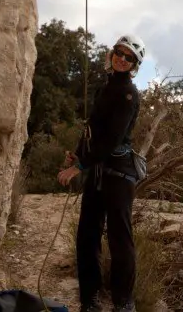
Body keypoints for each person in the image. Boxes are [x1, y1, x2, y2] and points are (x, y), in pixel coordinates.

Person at [58, 34, 146, 312]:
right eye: (119, 52)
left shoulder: (129, 94)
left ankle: (124, 302)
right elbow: (92, 129)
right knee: (87, 234)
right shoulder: (105, 88)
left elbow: (111, 139)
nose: (122, 58)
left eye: (128, 56)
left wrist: (79, 166)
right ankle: (90, 299)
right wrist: (77, 154)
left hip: (119, 173)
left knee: (120, 237)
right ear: (112, 54)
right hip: (98, 171)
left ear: (135, 64)